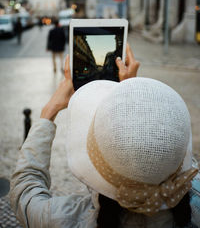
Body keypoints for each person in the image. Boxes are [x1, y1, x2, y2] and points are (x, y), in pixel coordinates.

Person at [10, 44, 200, 228]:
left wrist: (49, 111)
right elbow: (156, 149)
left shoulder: (63, 219)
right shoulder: (195, 212)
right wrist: (132, 100)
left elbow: (25, 191)